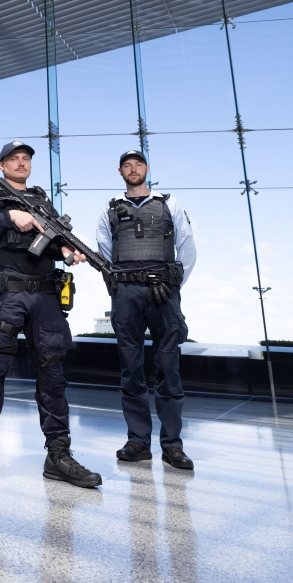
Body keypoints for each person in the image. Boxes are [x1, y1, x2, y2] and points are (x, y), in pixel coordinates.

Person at [0, 141, 102, 490]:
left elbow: (52, 242)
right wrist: (9, 216)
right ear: (1, 165)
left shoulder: (42, 200)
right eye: (14, 158)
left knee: (53, 376)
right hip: (5, 293)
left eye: (26, 159)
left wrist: (67, 249)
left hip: (46, 296)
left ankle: (58, 455)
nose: (21, 163)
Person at [95, 150, 196, 470]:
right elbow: (104, 254)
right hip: (126, 293)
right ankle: (138, 441)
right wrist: (118, 289)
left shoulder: (170, 204)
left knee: (169, 366)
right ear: (120, 171)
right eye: (127, 165)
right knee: (131, 367)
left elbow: (187, 247)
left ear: (147, 169)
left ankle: (172, 444)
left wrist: (175, 282)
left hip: (163, 292)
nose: (133, 169)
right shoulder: (109, 210)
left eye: (138, 164)